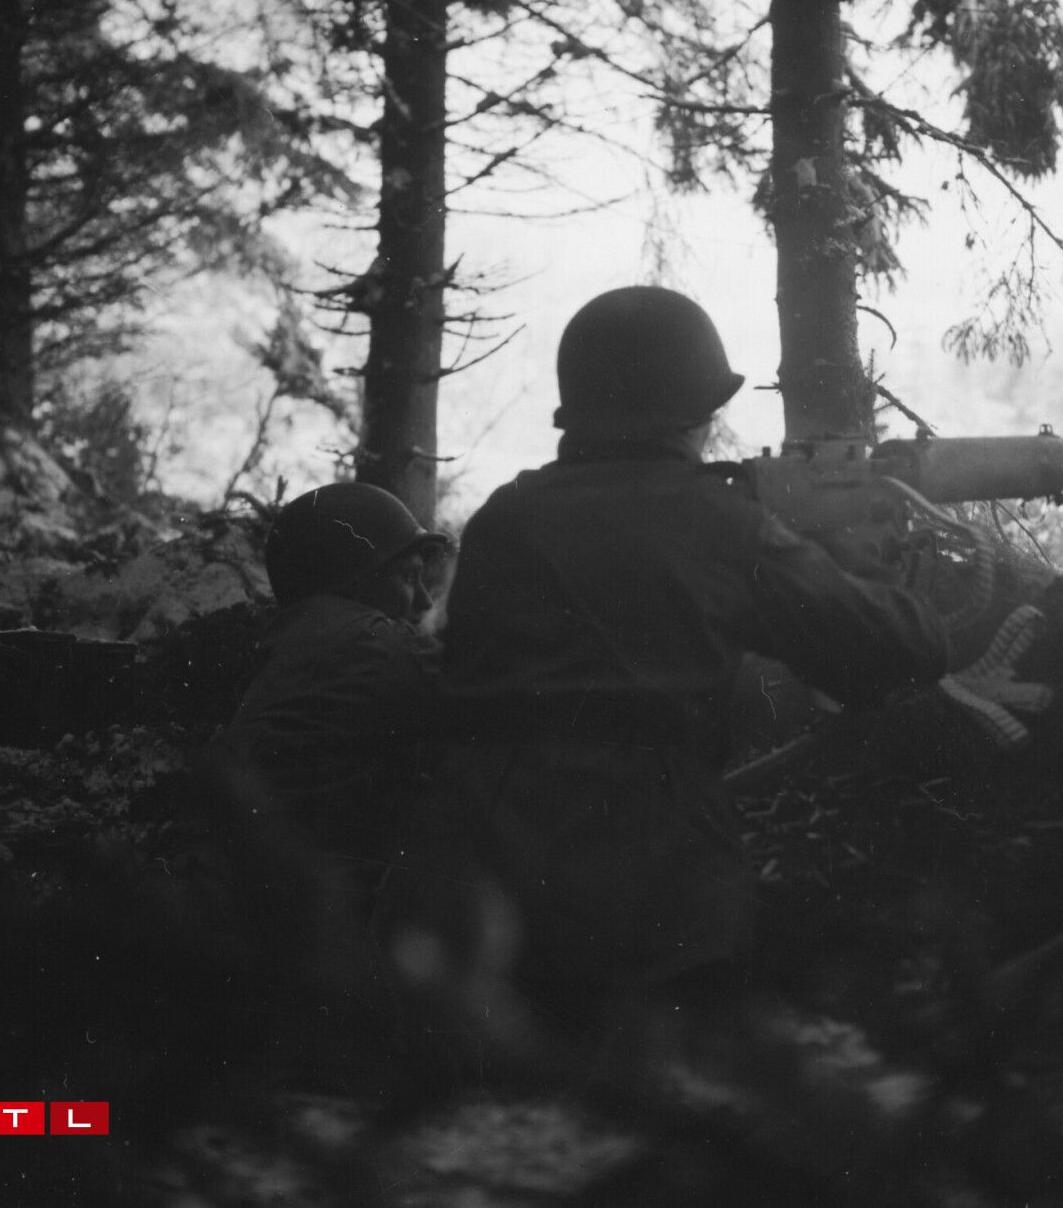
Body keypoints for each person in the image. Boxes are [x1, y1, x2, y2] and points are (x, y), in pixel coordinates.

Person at [388, 286, 950, 1010]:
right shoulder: (717, 523)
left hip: (473, 851)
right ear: (694, 411)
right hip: (647, 853)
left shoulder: (506, 516)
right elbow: (895, 649)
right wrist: (866, 560)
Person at [216, 482, 450, 907]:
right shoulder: (372, 646)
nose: (423, 601)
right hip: (309, 921)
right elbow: (494, 693)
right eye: (408, 577)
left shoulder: (298, 641)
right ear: (357, 580)